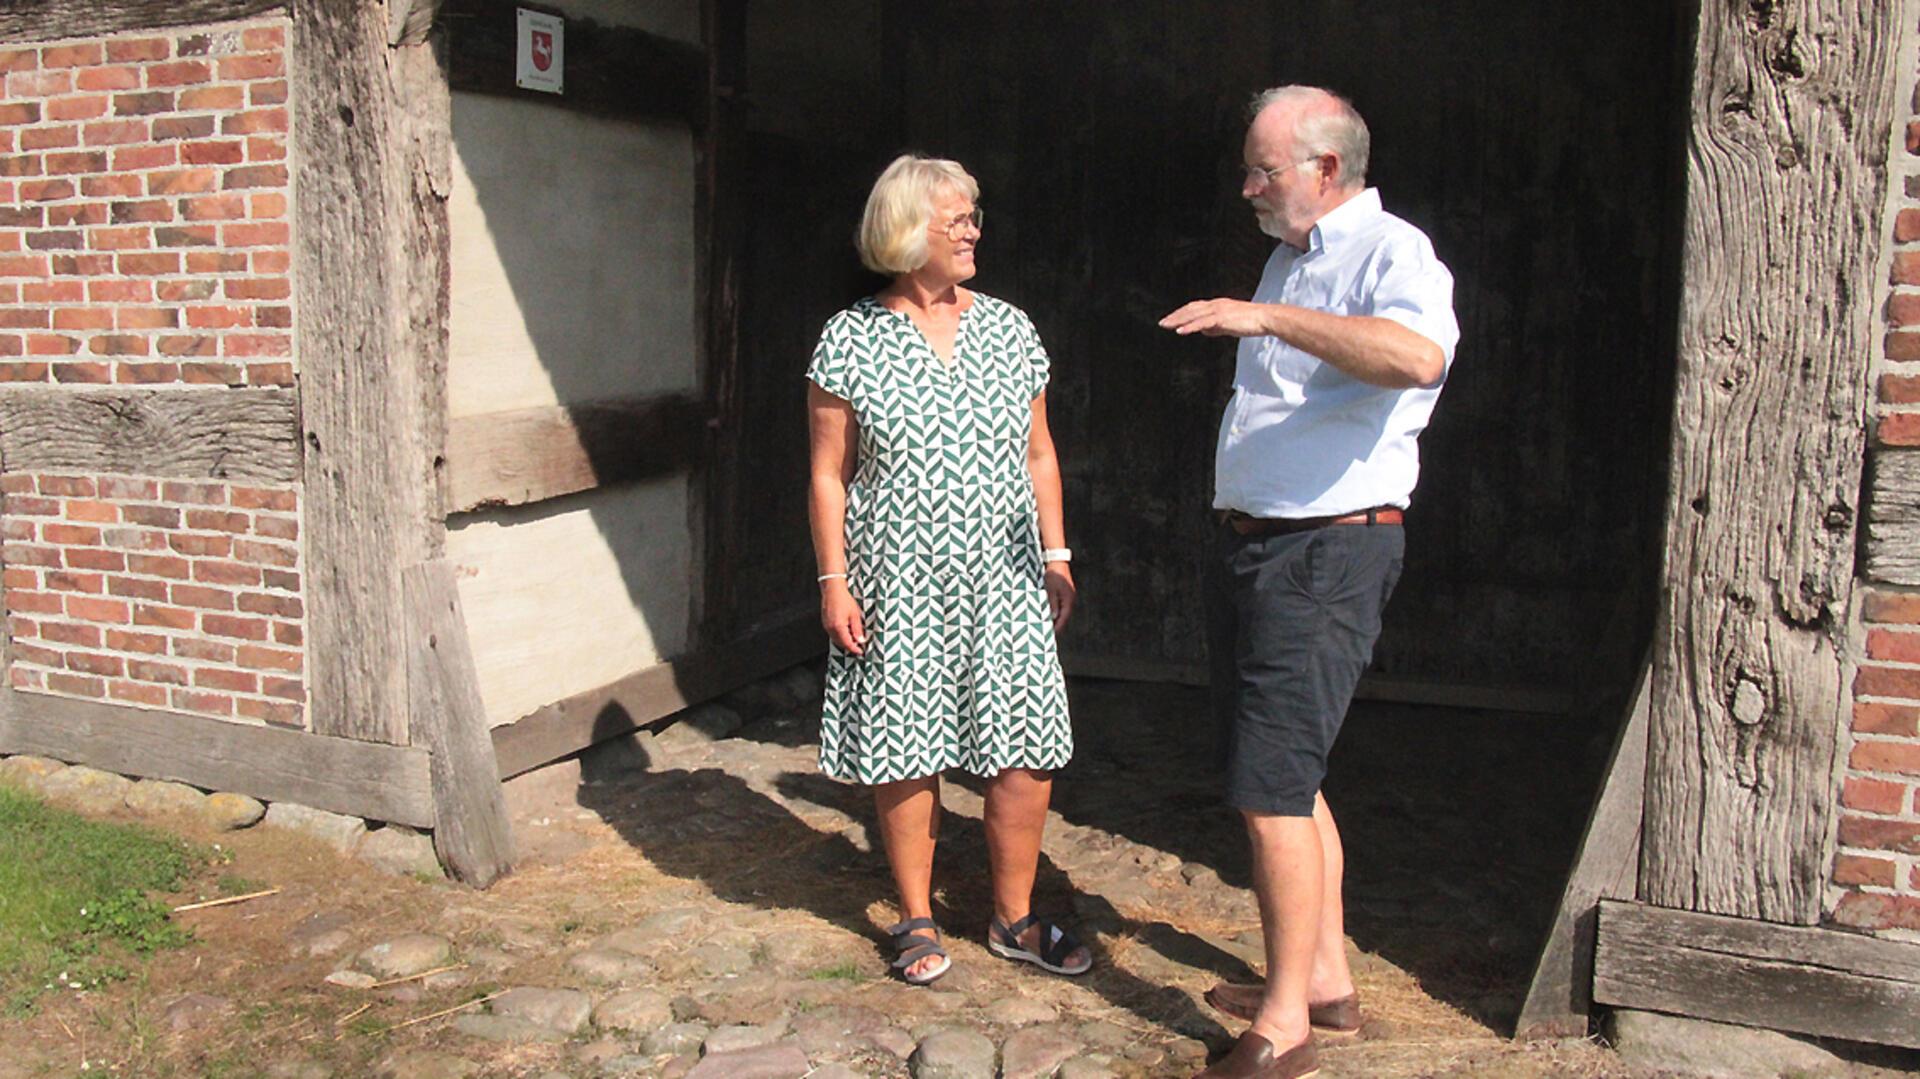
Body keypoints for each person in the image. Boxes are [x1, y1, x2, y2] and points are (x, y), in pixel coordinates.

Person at [1160, 86, 1459, 1079]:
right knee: (1283, 772)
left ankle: (1285, 1021)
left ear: (1328, 169)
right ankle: (1323, 977)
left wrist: (1265, 316)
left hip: (1328, 549)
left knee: (1271, 788)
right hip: (1260, 545)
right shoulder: (1293, 253)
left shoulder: (1390, 252)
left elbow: (1417, 356)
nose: (1248, 186)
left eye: (1265, 168)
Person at [806, 154, 1092, 986]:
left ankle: (1014, 918)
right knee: (905, 739)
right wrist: (834, 580)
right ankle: (916, 916)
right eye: (955, 217)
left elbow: (1041, 454)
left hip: (1005, 574)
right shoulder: (850, 337)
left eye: (974, 215)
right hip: (896, 574)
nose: (973, 229)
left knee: (1026, 746)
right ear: (905, 229)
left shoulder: (1010, 327)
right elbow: (828, 470)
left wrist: (1057, 554)